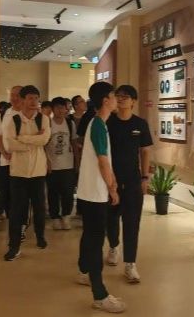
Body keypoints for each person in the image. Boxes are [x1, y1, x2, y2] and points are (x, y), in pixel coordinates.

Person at [76, 82, 126, 313]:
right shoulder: (97, 125)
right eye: (114, 96)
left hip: (90, 192)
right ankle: (100, 294)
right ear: (106, 100)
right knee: (96, 243)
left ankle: (84, 271)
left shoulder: (98, 124)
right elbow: (103, 161)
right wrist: (112, 188)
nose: (117, 100)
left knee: (90, 237)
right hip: (95, 193)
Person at [105, 85, 153, 283]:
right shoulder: (108, 122)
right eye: (118, 96)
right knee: (111, 218)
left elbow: (145, 151)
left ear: (133, 101)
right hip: (111, 179)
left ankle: (130, 264)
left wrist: (145, 177)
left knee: (132, 222)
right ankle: (113, 246)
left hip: (133, 180)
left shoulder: (140, 124)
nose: (121, 99)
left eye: (126, 96)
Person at [3, 85, 51, 261]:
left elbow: (44, 139)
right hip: (18, 173)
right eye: (30, 98)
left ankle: (40, 236)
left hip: (38, 172)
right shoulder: (13, 120)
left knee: (39, 208)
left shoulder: (43, 119)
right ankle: (14, 246)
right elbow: (10, 145)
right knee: (17, 211)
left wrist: (22, 138)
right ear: (22, 100)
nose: (34, 102)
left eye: (36, 98)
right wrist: (33, 141)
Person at [45, 97, 78, 230]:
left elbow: (74, 143)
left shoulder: (70, 123)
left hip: (68, 165)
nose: (60, 110)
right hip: (52, 165)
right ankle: (55, 217)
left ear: (66, 109)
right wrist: (46, 162)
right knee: (52, 193)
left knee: (68, 193)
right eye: (57, 107)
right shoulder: (48, 123)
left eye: (62, 107)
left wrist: (77, 161)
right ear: (52, 109)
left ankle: (66, 216)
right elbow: (43, 145)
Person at [0, 87, 22, 221]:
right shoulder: (4, 114)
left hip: (24, 162)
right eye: (12, 95)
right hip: (6, 160)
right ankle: (11, 218)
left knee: (20, 193)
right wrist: (4, 153)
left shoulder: (29, 114)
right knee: (6, 191)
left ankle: (20, 219)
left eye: (17, 95)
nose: (14, 98)